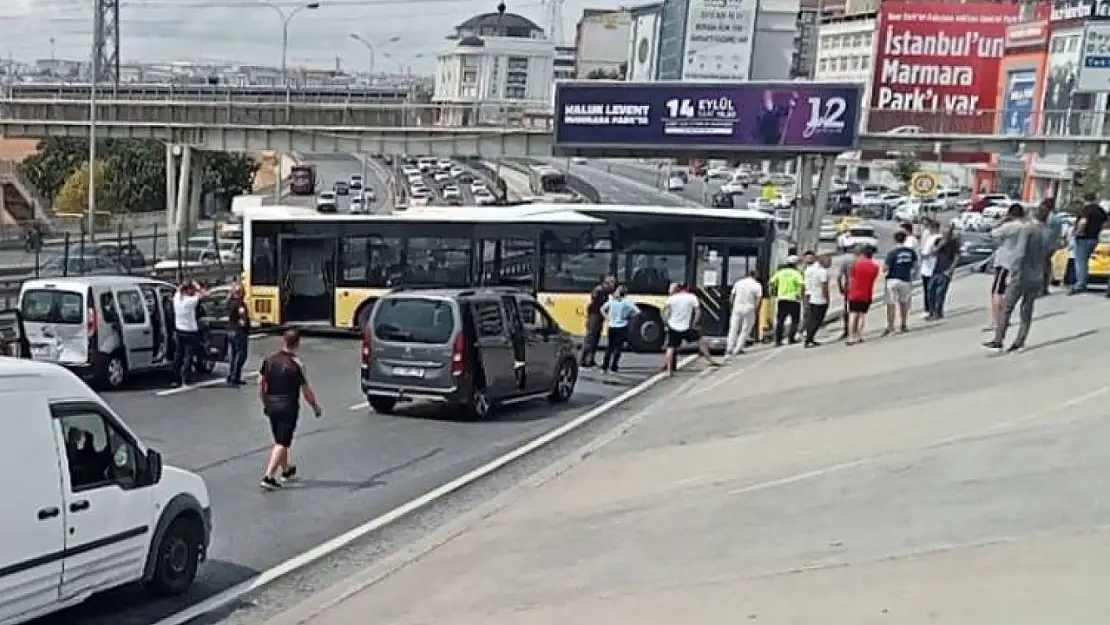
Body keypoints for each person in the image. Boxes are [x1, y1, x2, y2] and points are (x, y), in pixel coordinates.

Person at [984, 205, 1054, 352]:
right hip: (1037, 274)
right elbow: (1049, 253)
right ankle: (1020, 341)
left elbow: (1020, 253)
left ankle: (998, 340)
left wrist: (1013, 271)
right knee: (1027, 310)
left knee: (1007, 308)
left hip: (1022, 274)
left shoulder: (1027, 230)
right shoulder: (1048, 232)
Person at [258, 329, 322, 490]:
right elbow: (306, 390)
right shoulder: (297, 364)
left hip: (271, 404)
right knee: (282, 442)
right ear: (297, 344)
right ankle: (269, 476)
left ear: (284, 341)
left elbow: (262, 383)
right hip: (288, 406)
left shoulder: (269, 360)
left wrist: (265, 402)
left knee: (281, 439)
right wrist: (315, 406)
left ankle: (286, 470)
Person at [662, 284, 719, 376]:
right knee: (700, 341)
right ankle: (710, 360)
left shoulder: (672, 298)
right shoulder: (692, 297)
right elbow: (697, 311)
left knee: (670, 348)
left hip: (673, 325)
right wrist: (695, 322)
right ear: (687, 288)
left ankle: (669, 370)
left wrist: (666, 322)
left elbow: (664, 311)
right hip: (686, 326)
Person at [988, 203, 1026, 331]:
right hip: (1019, 262)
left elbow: (992, 232)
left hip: (1005, 262)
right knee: (1008, 292)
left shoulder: (1010, 226)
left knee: (997, 292)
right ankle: (1005, 318)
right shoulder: (1026, 227)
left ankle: (997, 321)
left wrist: (1002, 220)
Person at [171, 280, 208, 387]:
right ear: (188, 290)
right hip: (190, 332)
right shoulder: (190, 301)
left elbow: (178, 289)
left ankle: (175, 378)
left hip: (179, 331)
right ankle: (186, 379)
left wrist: (187, 284)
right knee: (188, 356)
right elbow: (205, 295)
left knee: (178, 355)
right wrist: (197, 286)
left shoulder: (177, 299)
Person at [882, 231, 918, 336]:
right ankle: (903, 325)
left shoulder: (892, 253)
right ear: (905, 239)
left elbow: (885, 268)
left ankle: (891, 327)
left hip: (893, 280)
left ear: (895, 240)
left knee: (891, 304)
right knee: (904, 303)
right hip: (906, 280)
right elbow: (915, 266)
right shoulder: (911, 252)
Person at [1070, 192, 1106, 294]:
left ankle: (1080, 284)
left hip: (1084, 238)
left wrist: (1077, 232)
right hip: (1094, 238)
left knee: (1081, 261)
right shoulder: (1100, 210)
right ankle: (1082, 282)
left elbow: (1083, 222)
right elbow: (1105, 223)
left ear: (1085, 199)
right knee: (1085, 261)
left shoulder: (1086, 209)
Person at [599, 284, 639, 374]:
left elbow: (602, 309)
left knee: (609, 347)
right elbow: (637, 311)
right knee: (618, 347)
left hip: (612, 326)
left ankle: (604, 366)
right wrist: (629, 316)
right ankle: (614, 367)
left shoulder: (612, 301)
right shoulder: (627, 302)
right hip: (622, 326)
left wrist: (607, 317)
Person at [846, 245, 880, 345]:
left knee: (853, 314)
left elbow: (851, 278)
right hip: (867, 293)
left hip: (854, 292)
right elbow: (873, 279)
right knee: (862, 315)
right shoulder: (874, 266)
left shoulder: (856, 264)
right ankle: (859, 335)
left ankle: (851, 336)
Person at [927, 222, 961, 320]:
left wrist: (951, 270)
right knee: (931, 290)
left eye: (947, 232)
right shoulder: (938, 241)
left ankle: (938, 313)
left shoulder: (955, 242)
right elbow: (933, 253)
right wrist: (940, 245)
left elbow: (957, 257)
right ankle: (931, 311)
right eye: (944, 231)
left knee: (940, 292)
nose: (945, 233)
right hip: (936, 269)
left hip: (946, 270)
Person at [769, 256, 805, 346]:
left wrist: (774, 292)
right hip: (794, 300)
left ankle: (778, 340)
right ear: (795, 264)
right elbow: (801, 285)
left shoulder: (780, 272)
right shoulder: (797, 273)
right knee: (794, 320)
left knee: (780, 321)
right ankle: (791, 338)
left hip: (782, 299)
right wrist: (800, 295)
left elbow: (771, 282)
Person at [726, 269, 763, 357]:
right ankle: (738, 349)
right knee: (745, 329)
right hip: (749, 308)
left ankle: (729, 348)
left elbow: (732, 296)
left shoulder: (738, 283)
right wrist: (756, 310)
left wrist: (731, 306)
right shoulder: (757, 285)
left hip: (737, 307)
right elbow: (758, 299)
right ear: (755, 275)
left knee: (733, 328)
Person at [580, 275, 615, 367]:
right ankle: (583, 360)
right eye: (612, 283)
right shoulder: (599, 290)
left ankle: (590, 359)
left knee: (596, 339)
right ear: (606, 283)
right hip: (594, 316)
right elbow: (595, 302)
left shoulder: (606, 292)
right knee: (590, 338)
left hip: (598, 317)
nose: (613, 285)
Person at [802, 254, 831, 347]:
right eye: (829, 262)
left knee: (811, 319)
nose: (830, 264)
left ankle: (810, 338)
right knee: (817, 320)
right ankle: (809, 339)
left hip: (811, 296)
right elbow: (824, 287)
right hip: (820, 298)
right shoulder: (823, 272)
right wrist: (827, 299)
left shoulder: (809, 269)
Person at [226, 282, 251, 386]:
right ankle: (235, 376)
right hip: (239, 332)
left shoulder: (230, 302)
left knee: (234, 354)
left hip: (230, 330)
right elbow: (242, 317)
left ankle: (231, 375)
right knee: (241, 355)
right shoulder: (240, 304)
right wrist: (244, 323)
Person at [918, 219, 941, 318]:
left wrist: (921, 255)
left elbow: (926, 254)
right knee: (936, 291)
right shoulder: (941, 238)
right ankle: (936, 309)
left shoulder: (932, 239)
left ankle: (928, 310)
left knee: (928, 290)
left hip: (928, 268)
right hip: (937, 267)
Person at [836, 245, 859, 340]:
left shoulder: (845, 260)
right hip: (859, 286)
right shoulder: (860, 260)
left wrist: (840, 287)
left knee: (847, 308)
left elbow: (839, 276)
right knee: (857, 309)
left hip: (848, 286)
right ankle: (855, 329)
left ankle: (847, 329)